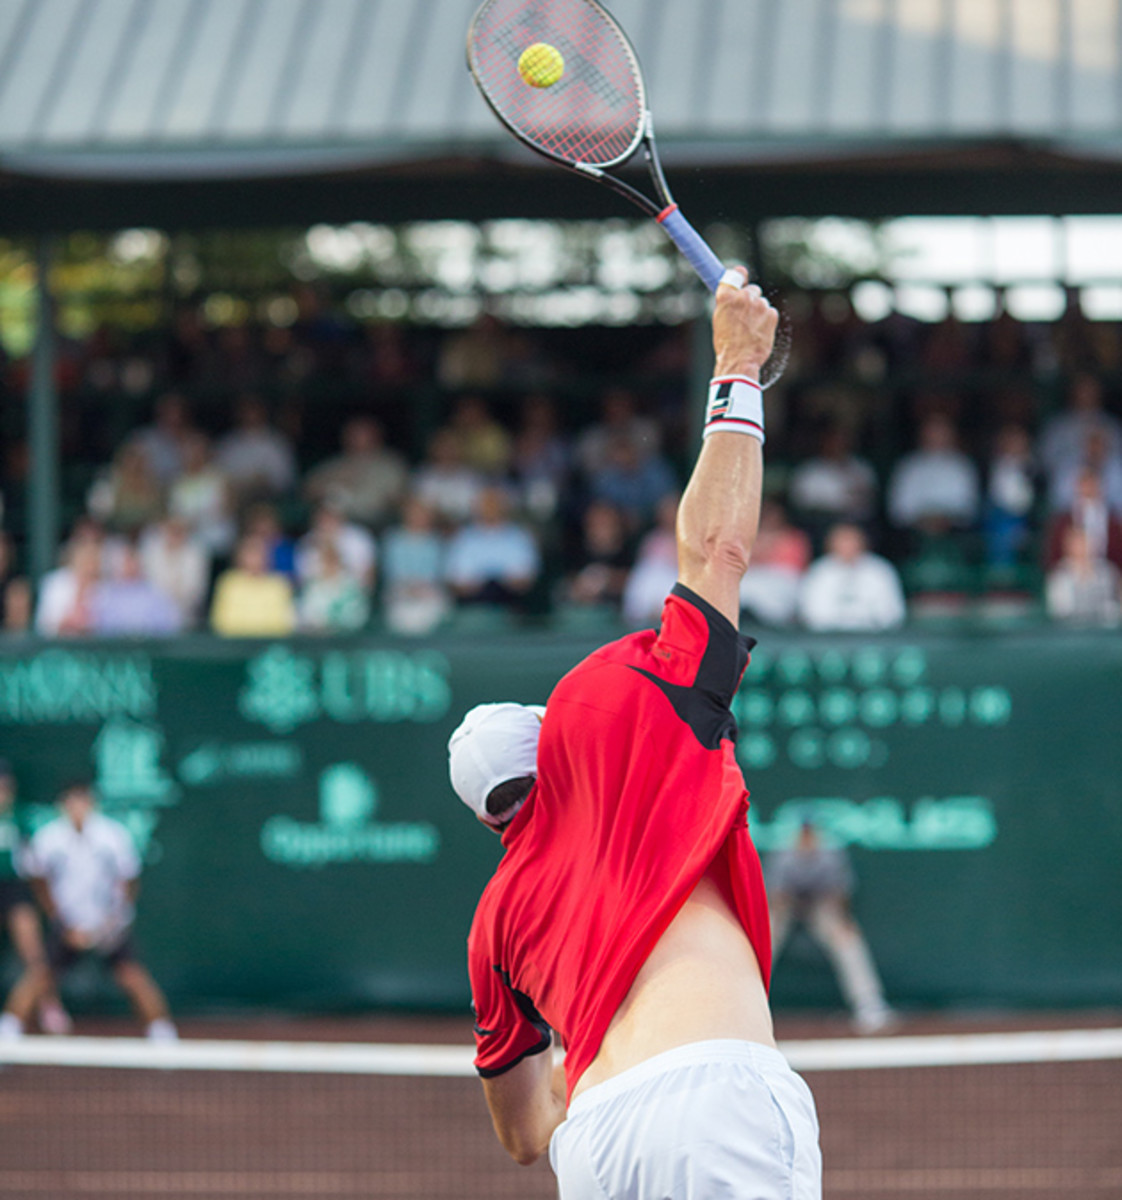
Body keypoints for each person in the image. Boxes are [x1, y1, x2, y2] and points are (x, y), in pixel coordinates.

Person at [447, 273, 821, 1197]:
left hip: (598, 1144)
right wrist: (737, 362)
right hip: (717, 1097)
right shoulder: (624, 731)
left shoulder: (496, 921)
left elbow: (526, 1135)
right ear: (551, 747)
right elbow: (717, 551)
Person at [23, 781, 177, 1041]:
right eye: (72, 800)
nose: (78, 807)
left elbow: (129, 880)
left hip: (109, 926)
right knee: (40, 976)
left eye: (83, 800)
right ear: (63, 804)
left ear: (92, 803)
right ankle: (8, 1030)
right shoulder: (48, 837)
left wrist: (112, 922)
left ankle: (163, 1034)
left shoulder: (113, 835)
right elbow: (39, 880)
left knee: (132, 977)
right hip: (68, 925)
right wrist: (62, 922)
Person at [766, 820, 896, 1036]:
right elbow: (775, 897)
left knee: (847, 940)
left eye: (810, 832)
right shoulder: (783, 854)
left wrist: (839, 922)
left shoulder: (830, 853)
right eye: (803, 832)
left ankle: (869, 1006)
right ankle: (742, 1008)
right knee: (763, 941)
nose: (806, 837)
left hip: (820, 906)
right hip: (786, 906)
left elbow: (838, 895)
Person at [0, 761, 72, 1040]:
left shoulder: (22, 818)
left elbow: (40, 854)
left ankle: (49, 1007)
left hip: (15, 890)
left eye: (5, 786)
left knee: (33, 953)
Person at [302, 416, 409, 528]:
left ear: (376, 437)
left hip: (376, 524)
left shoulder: (391, 463)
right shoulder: (336, 463)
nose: (357, 439)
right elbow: (308, 487)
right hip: (338, 522)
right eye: (352, 435)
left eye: (363, 434)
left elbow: (400, 498)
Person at [797, 523, 907, 632]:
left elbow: (892, 613)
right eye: (843, 540)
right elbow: (812, 614)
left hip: (873, 638)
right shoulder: (818, 571)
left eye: (852, 540)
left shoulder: (880, 570)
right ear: (830, 544)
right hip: (829, 640)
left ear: (863, 542)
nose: (848, 545)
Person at [444, 485, 540, 610]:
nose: (490, 508)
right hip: (473, 602)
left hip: (510, 601)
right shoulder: (463, 538)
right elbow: (455, 580)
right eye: (486, 504)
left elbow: (526, 579)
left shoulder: (520, 537)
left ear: (504, 506)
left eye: (495, 504)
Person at [209, 533, 297, 637]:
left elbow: (284, 623)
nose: (255, 559)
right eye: (251, 553)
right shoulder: (228, 582)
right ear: (240, 557)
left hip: (271, 646)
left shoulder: (279, 584)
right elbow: (221, 622)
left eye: (259, 554)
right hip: (233, 644)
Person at [1044, 524, 1122, 626]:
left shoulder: (1108, 572)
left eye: (1086, 542)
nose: (1083, 548)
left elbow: (1115, 605)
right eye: (1078, 544)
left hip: (1104, 631)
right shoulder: (1059, 576)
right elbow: (1061, 611)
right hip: (1071, 632)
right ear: (1068, 547)